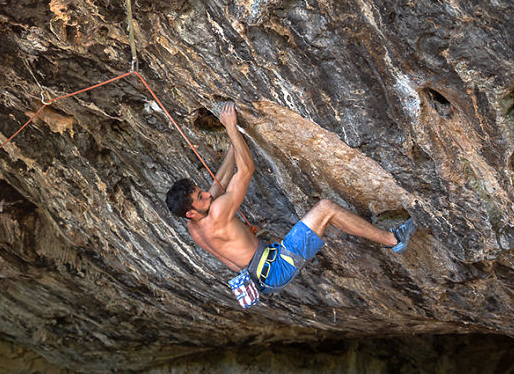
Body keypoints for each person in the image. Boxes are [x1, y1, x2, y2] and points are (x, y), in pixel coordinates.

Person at [165, 102, 415, 305]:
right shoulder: (217, 213)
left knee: (313, 219)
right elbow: (246, 171)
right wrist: (230, 127)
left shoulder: (194, 226)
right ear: (191, 212)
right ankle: (395, 240)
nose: (207, 195)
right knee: (325, 209)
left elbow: (219, 182)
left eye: (201, 192)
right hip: (275, 268)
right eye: (201, 197)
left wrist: (235, 141)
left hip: (260, 275)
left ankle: (310, 249)